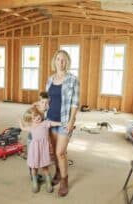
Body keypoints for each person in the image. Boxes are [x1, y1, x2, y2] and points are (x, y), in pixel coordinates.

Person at [46, 50, 80, 197]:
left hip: (65, 121)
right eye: (58, 59)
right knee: (54, 152)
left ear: (67, 62)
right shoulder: (50, 79)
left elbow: (75, 103)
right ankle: (58, 173)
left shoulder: (73, 79)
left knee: (60, 152)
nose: (61, 62)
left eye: (63, 59)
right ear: (54, 61)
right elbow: (47, 100)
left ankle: (64, 180)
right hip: (51, 120)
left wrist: (72, 121)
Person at [19, 106, 61, 193]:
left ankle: (48, 183)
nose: (37, 118)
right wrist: (20, 121)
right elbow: (23, 128)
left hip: (43, 149)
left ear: (40, 114)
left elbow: (53, 123)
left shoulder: (45, 123)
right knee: (34, 167)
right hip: (34, 150)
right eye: (34, 118)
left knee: (45, 167)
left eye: (37, 115)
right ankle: (35, 182)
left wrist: (61, 123)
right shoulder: (31, 127)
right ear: (31, 120)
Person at [27, 92, 50, 182]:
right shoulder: (35, 109)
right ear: (38, 102)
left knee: (40, 154)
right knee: (32, 156)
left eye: (47, 103)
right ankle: (33, 175)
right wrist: (35, 105)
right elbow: (28, 119)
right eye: (42, 102)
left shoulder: (47, 109)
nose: (45, 104)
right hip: (32, 137)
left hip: (41, 136)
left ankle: (35, 173)